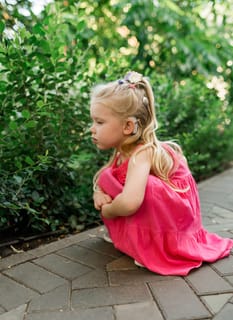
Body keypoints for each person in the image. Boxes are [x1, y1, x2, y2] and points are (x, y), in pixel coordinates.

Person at [90, 71, 233, 276]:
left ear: (128, 126)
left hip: (177, 215)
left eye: (99, 122)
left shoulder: (142, 153)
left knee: (146, 187)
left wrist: (109, 211)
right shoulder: (122, 150)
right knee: (107, 177)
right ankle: (130, 236)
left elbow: (130, 203)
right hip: (159, 208)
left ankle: (154, 245)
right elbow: (105, 176)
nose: (92, 129)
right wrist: (98, 192)